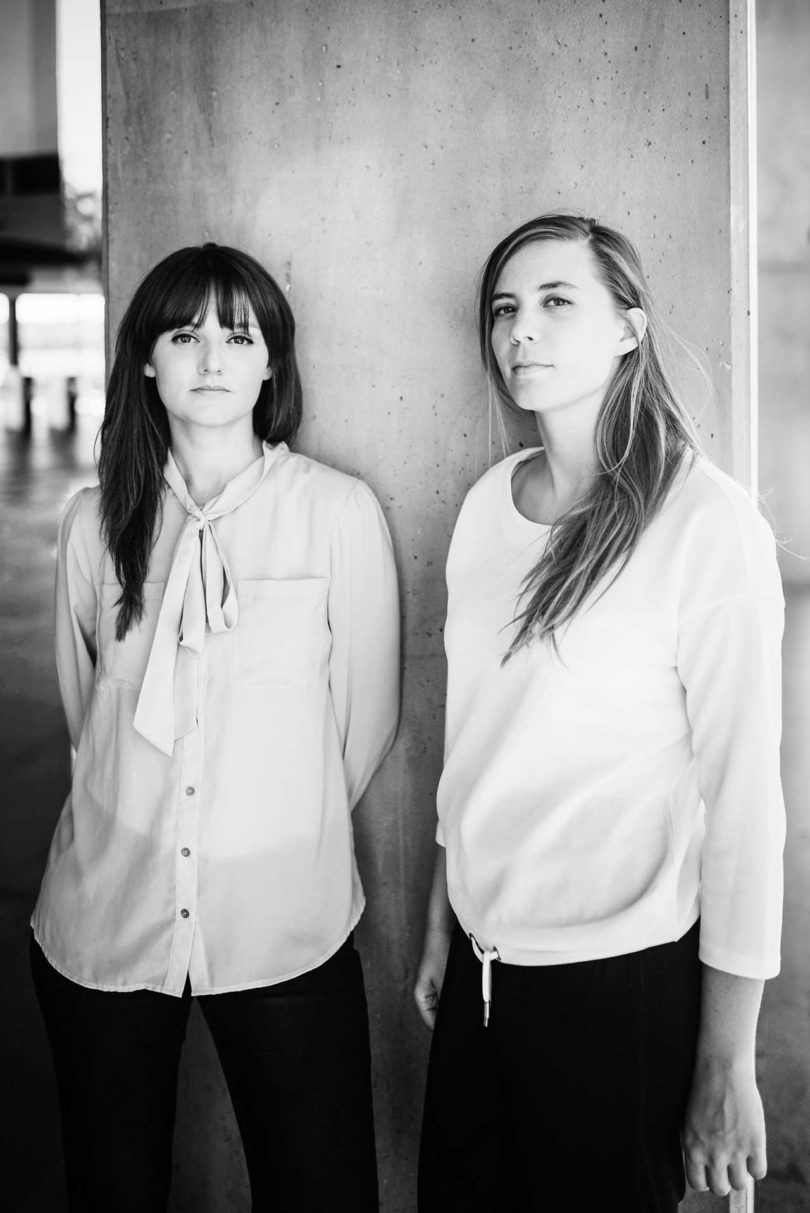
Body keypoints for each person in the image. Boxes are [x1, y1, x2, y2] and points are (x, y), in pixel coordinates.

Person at [414, 214, 784, 1212]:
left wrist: (728, 1061)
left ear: (630, 326)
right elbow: (474, 737)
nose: (518, 331)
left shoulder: (705, 525)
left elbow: (746, 807)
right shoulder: (489, 505)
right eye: (503, 310)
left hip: (618, 994)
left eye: (554, 302)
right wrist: (446, 921)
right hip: (481, 985)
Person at [31, 243, 400, 1213]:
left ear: (271, 360)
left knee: (320, 1193)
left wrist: (263, 824)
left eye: (238, 335)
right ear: (145, 360)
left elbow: (364, 723)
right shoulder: (88, 523)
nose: (211, 356)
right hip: (105, 917)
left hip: (283, 920)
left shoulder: (334, 513)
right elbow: (86, 720)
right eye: (184, 333)